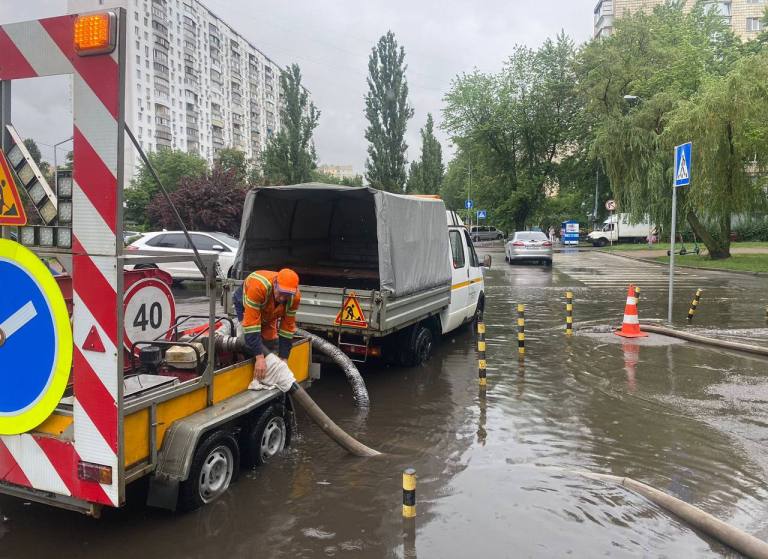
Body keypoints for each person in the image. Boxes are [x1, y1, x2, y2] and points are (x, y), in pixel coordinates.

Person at [233, 268, 301, 382]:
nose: (283, 298)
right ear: (275, 284)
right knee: (247, 341)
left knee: (270, 341)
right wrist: (259, 358)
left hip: (268, 311)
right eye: (281, 293)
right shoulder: (258, 287)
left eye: (287, 295)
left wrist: (284, 359)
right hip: (246, 301)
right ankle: (245, 366)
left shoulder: (294, 297)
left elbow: (287, 329)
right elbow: (251, 328)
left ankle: (264, 369)